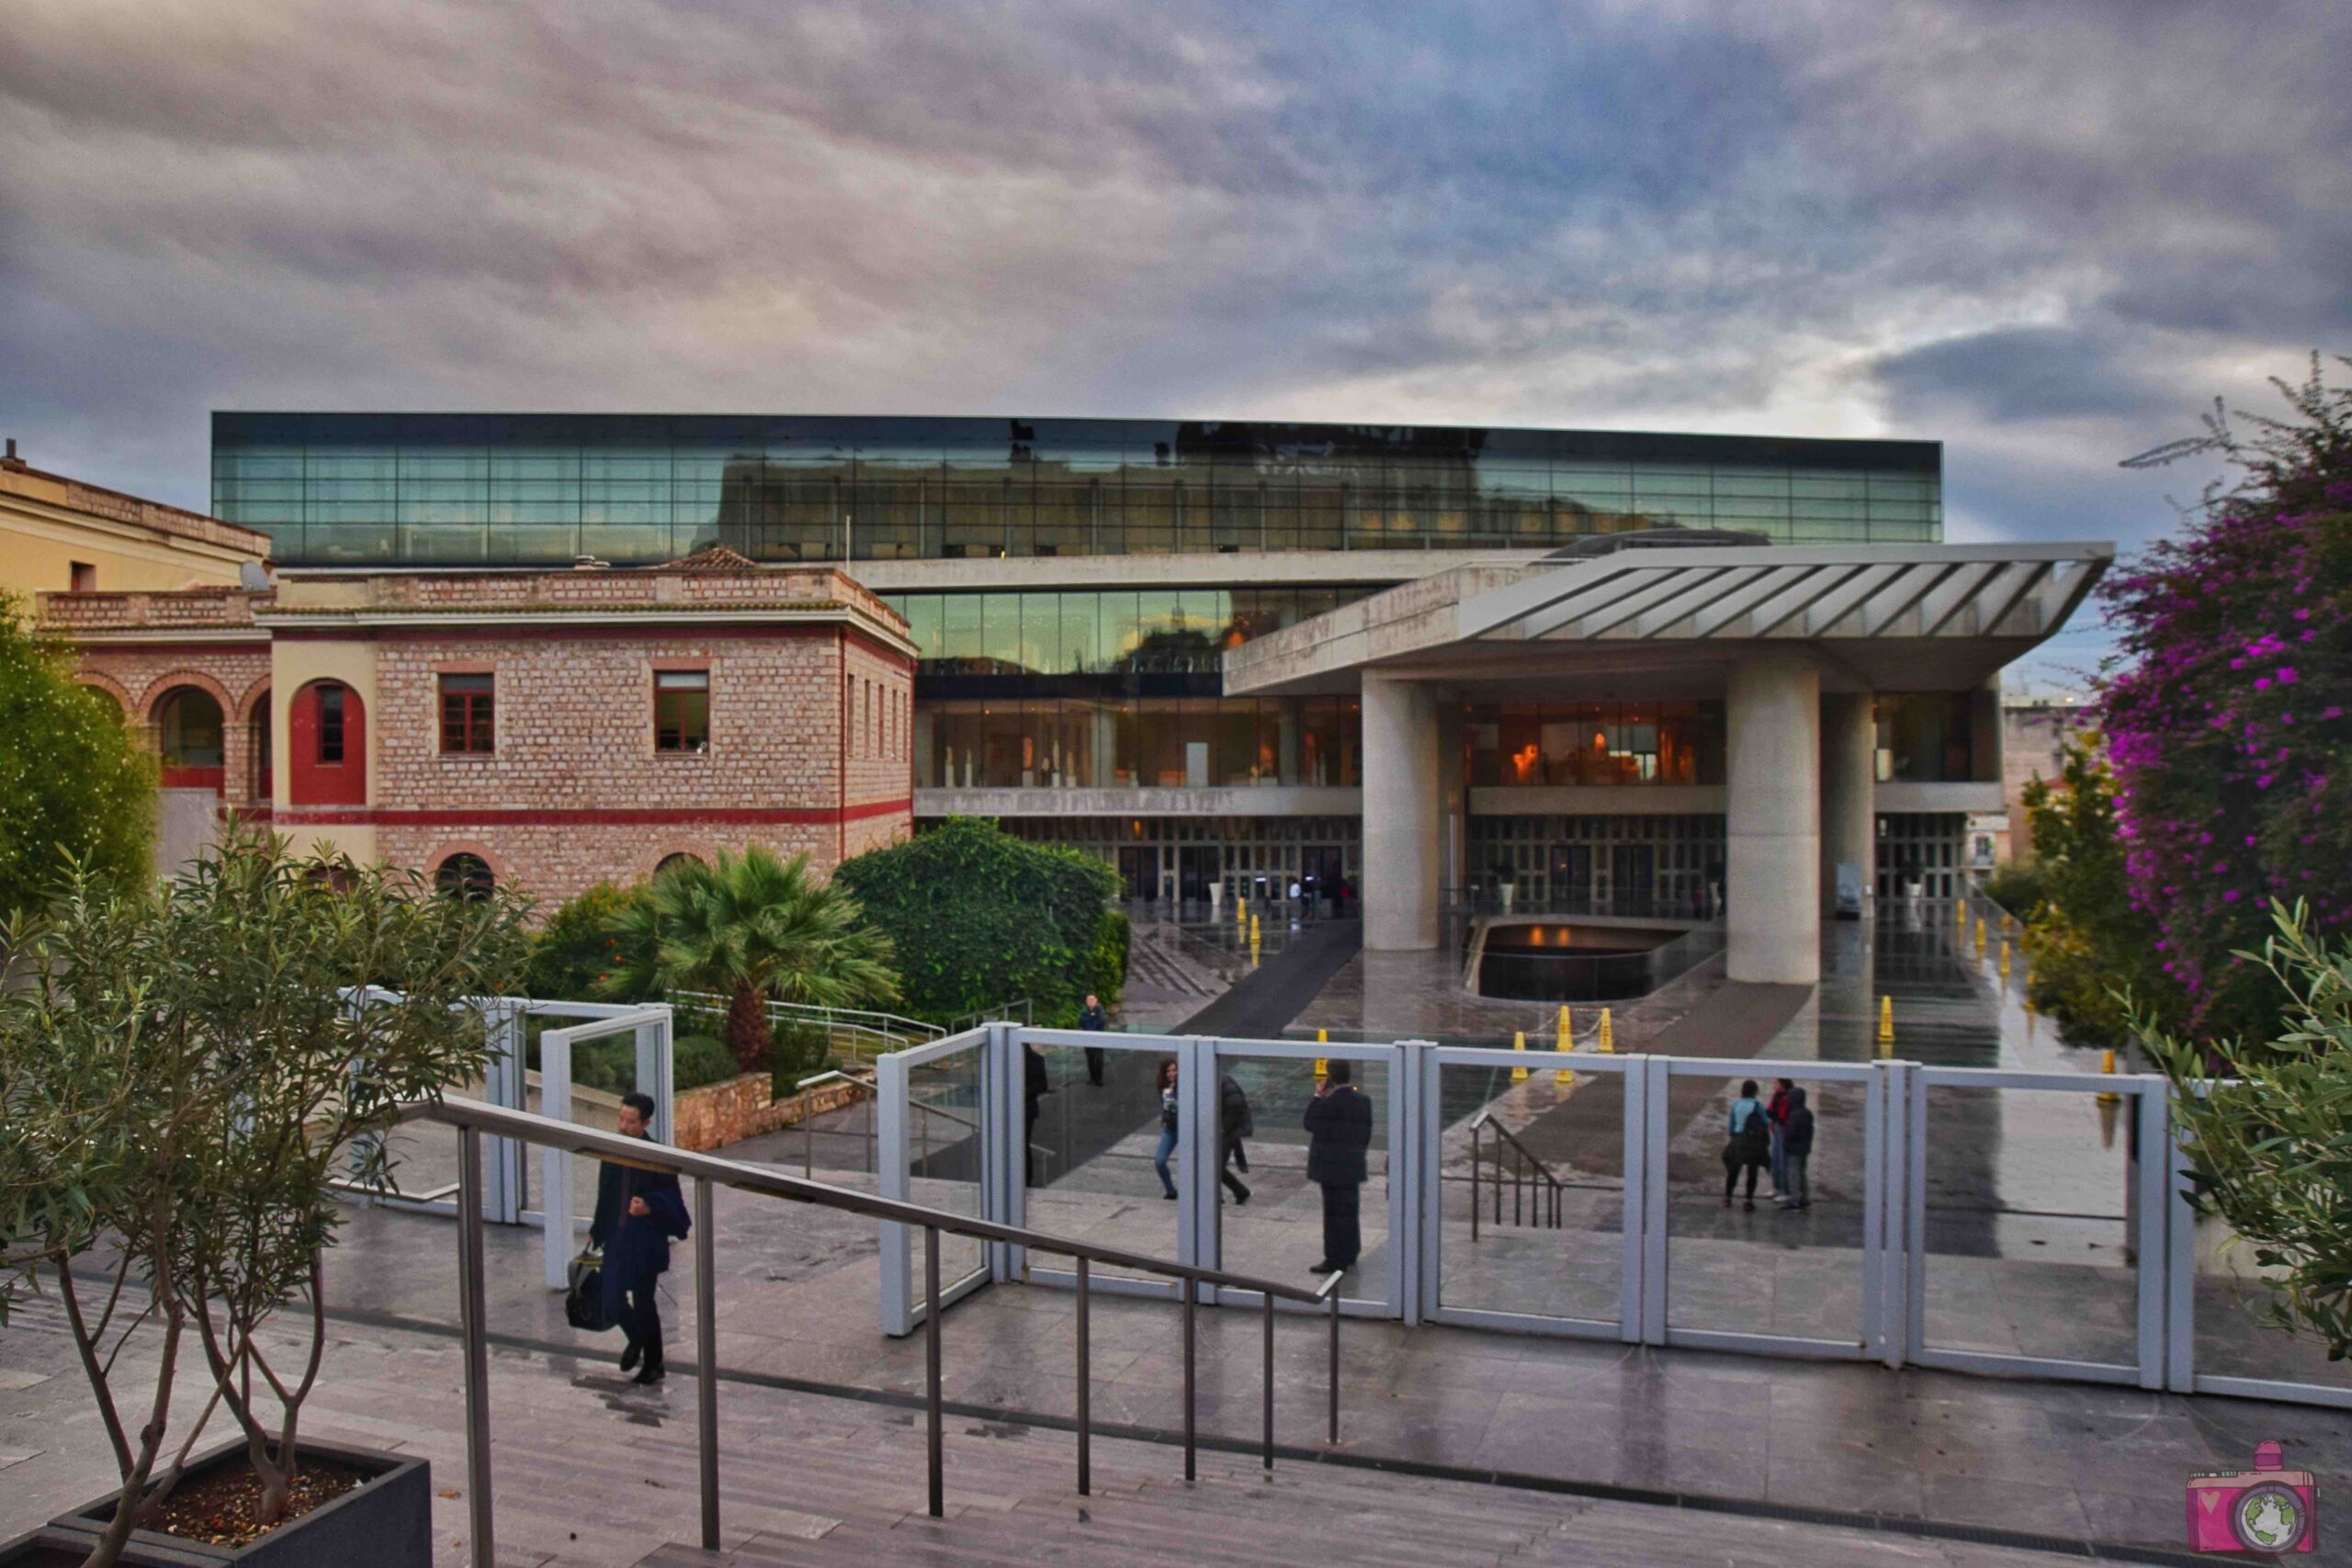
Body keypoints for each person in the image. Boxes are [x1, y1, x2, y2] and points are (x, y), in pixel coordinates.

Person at [590, 1091, 691, 1385]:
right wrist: (598, 1231)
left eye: (630, 1121)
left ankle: (654, 1363)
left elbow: (673, 1200)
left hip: (644, 1242)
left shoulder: (657, 1156)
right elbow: (604, 1194)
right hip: (617, 1239)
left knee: (644, 1301)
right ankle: (637, 1340)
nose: (623, 1126)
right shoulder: (612, 1150)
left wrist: (649, 1207)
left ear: (645, 1123)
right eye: (621, 1118)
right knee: (610, 1296)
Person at [1304, 1059, 1373, 1274]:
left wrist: (1317, 1096)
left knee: (1333, 1215)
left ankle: (1334, 1258)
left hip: (1330, 1169)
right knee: (1350, 1211)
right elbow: (1365, 1133)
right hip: (1352, 1166)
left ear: (1330, 1078)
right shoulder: (1363, 1101)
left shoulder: (1326, 1104)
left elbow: (1309, 1123)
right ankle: (1351, 1251)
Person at [1721, 1078, 1770, 1212]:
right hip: (1752, 1141)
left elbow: (1731, 1126)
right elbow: (1766, 1122)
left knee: (1733, 1171)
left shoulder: (1736, 1104)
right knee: (1752, 1172)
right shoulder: (1757, 1105)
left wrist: (1733, 1139)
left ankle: (1728, 1198)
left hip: (1737, 1140)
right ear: (1755, 1091)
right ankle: (1748, 1200)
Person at [1217, 1070, 1254, 1204]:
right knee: (1214, 1165)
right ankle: (1239, 1192)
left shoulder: (1225, 1083)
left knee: (1216, 1166)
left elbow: (1235, 1108)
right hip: (1224, 1129)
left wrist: (1223, 1129)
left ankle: (1240, 1192)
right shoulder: (1215, 1082)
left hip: (1228, 1130)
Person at [1778, 1087, 1815, 1211]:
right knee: (1802, 1172)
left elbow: (1790, 1132)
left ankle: (1794, 1201)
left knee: (1793, 1174)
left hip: (1794, 1149)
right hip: (1805, 1147)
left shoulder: (1794, 1115)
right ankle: (1804, 1198)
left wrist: (1786, 1144)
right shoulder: (1807, 1113)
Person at [1151, 1058, 1180, 1200]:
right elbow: (1168, 1106)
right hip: (1172, 1128)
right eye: (1168, 1071)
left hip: (1187, 1128)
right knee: (1159, 1161)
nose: (1172, 1073)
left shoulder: (1184, 1084)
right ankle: (1171, 1191)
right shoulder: (1163, 1086)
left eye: (1174, 1070)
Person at [1023, 1042, 1050, 1183]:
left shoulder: (1036, 1060)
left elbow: (1042, 1085)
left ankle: (1026, 1179)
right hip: (1021, 1109)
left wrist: (1021, 1093)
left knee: (1023, 1145)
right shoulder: (1005, 1061)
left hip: (1027, 1109)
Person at [1765, 1077, 1793, 1200]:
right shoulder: (1776, 1096)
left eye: (1776, 1083)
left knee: (1783, 1160)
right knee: (1775, 1159)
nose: (1773, 1085)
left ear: (1782, 1084)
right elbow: (1770, 1111)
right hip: (1776, 1128)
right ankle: (1776, 1187)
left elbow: (1782, 1116)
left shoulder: (1788, 1098)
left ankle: (1785, 1191)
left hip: (1783, 1129)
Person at [1078, 993, 1109, 1087]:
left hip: (1098, 1039)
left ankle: (1099, 1079)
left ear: (1096, 1001)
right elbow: (1081, 1022)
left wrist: (1091, 1019)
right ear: (1086, 1002)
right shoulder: (1084, 1011)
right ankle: (1092, 1078)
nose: (1090, 1002)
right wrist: (1092, 1017)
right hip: (1087, 1039)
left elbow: (1101, 1021)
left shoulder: (1100, 1011)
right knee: (1090, 1058)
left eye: (1092, 1000)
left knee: (1098, 1059)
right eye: (1088, 1000)